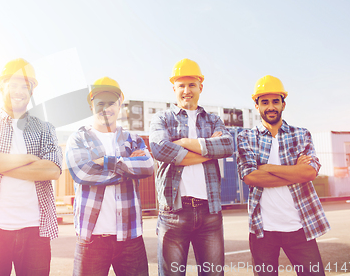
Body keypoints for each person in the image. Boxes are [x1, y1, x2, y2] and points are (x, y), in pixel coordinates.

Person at [0, 58, 62, 275]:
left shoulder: (44, 128)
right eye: (13, 84)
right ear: (1, 86)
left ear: (32, 91)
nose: (19, 91)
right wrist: (28, 158)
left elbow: (52, 170)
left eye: (26, 86)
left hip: (35, 230)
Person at [237, 75, 330, 276]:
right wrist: (294, 172)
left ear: (283, 104)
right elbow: (250, 178)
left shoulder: (301, 134)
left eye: (275, 101)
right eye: (265, 102)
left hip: (300, 227)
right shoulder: (246, 137)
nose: (270, 106)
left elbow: (309, 172)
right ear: (257, 106)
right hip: (263, 231)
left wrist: (266, 167)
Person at [149, 58, 235, 276]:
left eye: (192, 85)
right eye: (181, 85)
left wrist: (184, 143)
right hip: (174, 212)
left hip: (210, 212)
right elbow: (160, 149)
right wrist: (209, 151)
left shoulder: (214, 120)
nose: (187, 91)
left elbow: (227, 146)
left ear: (200, 87)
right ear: (174, 88)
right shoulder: (162, 118)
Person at [66, 77, 155, 276]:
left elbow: (148, 166)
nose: (106, 108)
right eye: (101, 103)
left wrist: (105, 162)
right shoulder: (79, 138)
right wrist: (128, 169)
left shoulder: (133, 139)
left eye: (111, 103)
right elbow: (82, 172)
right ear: (91, 106)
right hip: (91, 239)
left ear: (120, 105)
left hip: (131, 238)